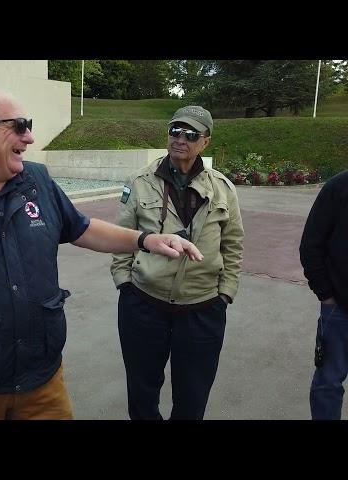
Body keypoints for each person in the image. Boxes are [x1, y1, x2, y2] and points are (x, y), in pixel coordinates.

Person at [0, 88, 203, 420]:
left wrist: (146, 240)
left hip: (42, 384)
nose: (29, 136)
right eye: (18, 125)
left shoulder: (37, 180)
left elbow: (81, 228)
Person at [110, 105, 244, 420]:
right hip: (143, 303)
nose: (180, 139)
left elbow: (234, 243)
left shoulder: (223, 188)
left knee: (192, 397)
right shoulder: (140, 181)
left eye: (190, 134)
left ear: (205, 142)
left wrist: (226, 293)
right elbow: (122, 235)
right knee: (142, 393)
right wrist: (124, 283)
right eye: (175, 131)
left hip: (203, 307)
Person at [299, 169, 348, 420]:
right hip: (339, 308)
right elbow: (311, 245)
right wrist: (326, 293)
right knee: (328, 383)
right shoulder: (338, 187)